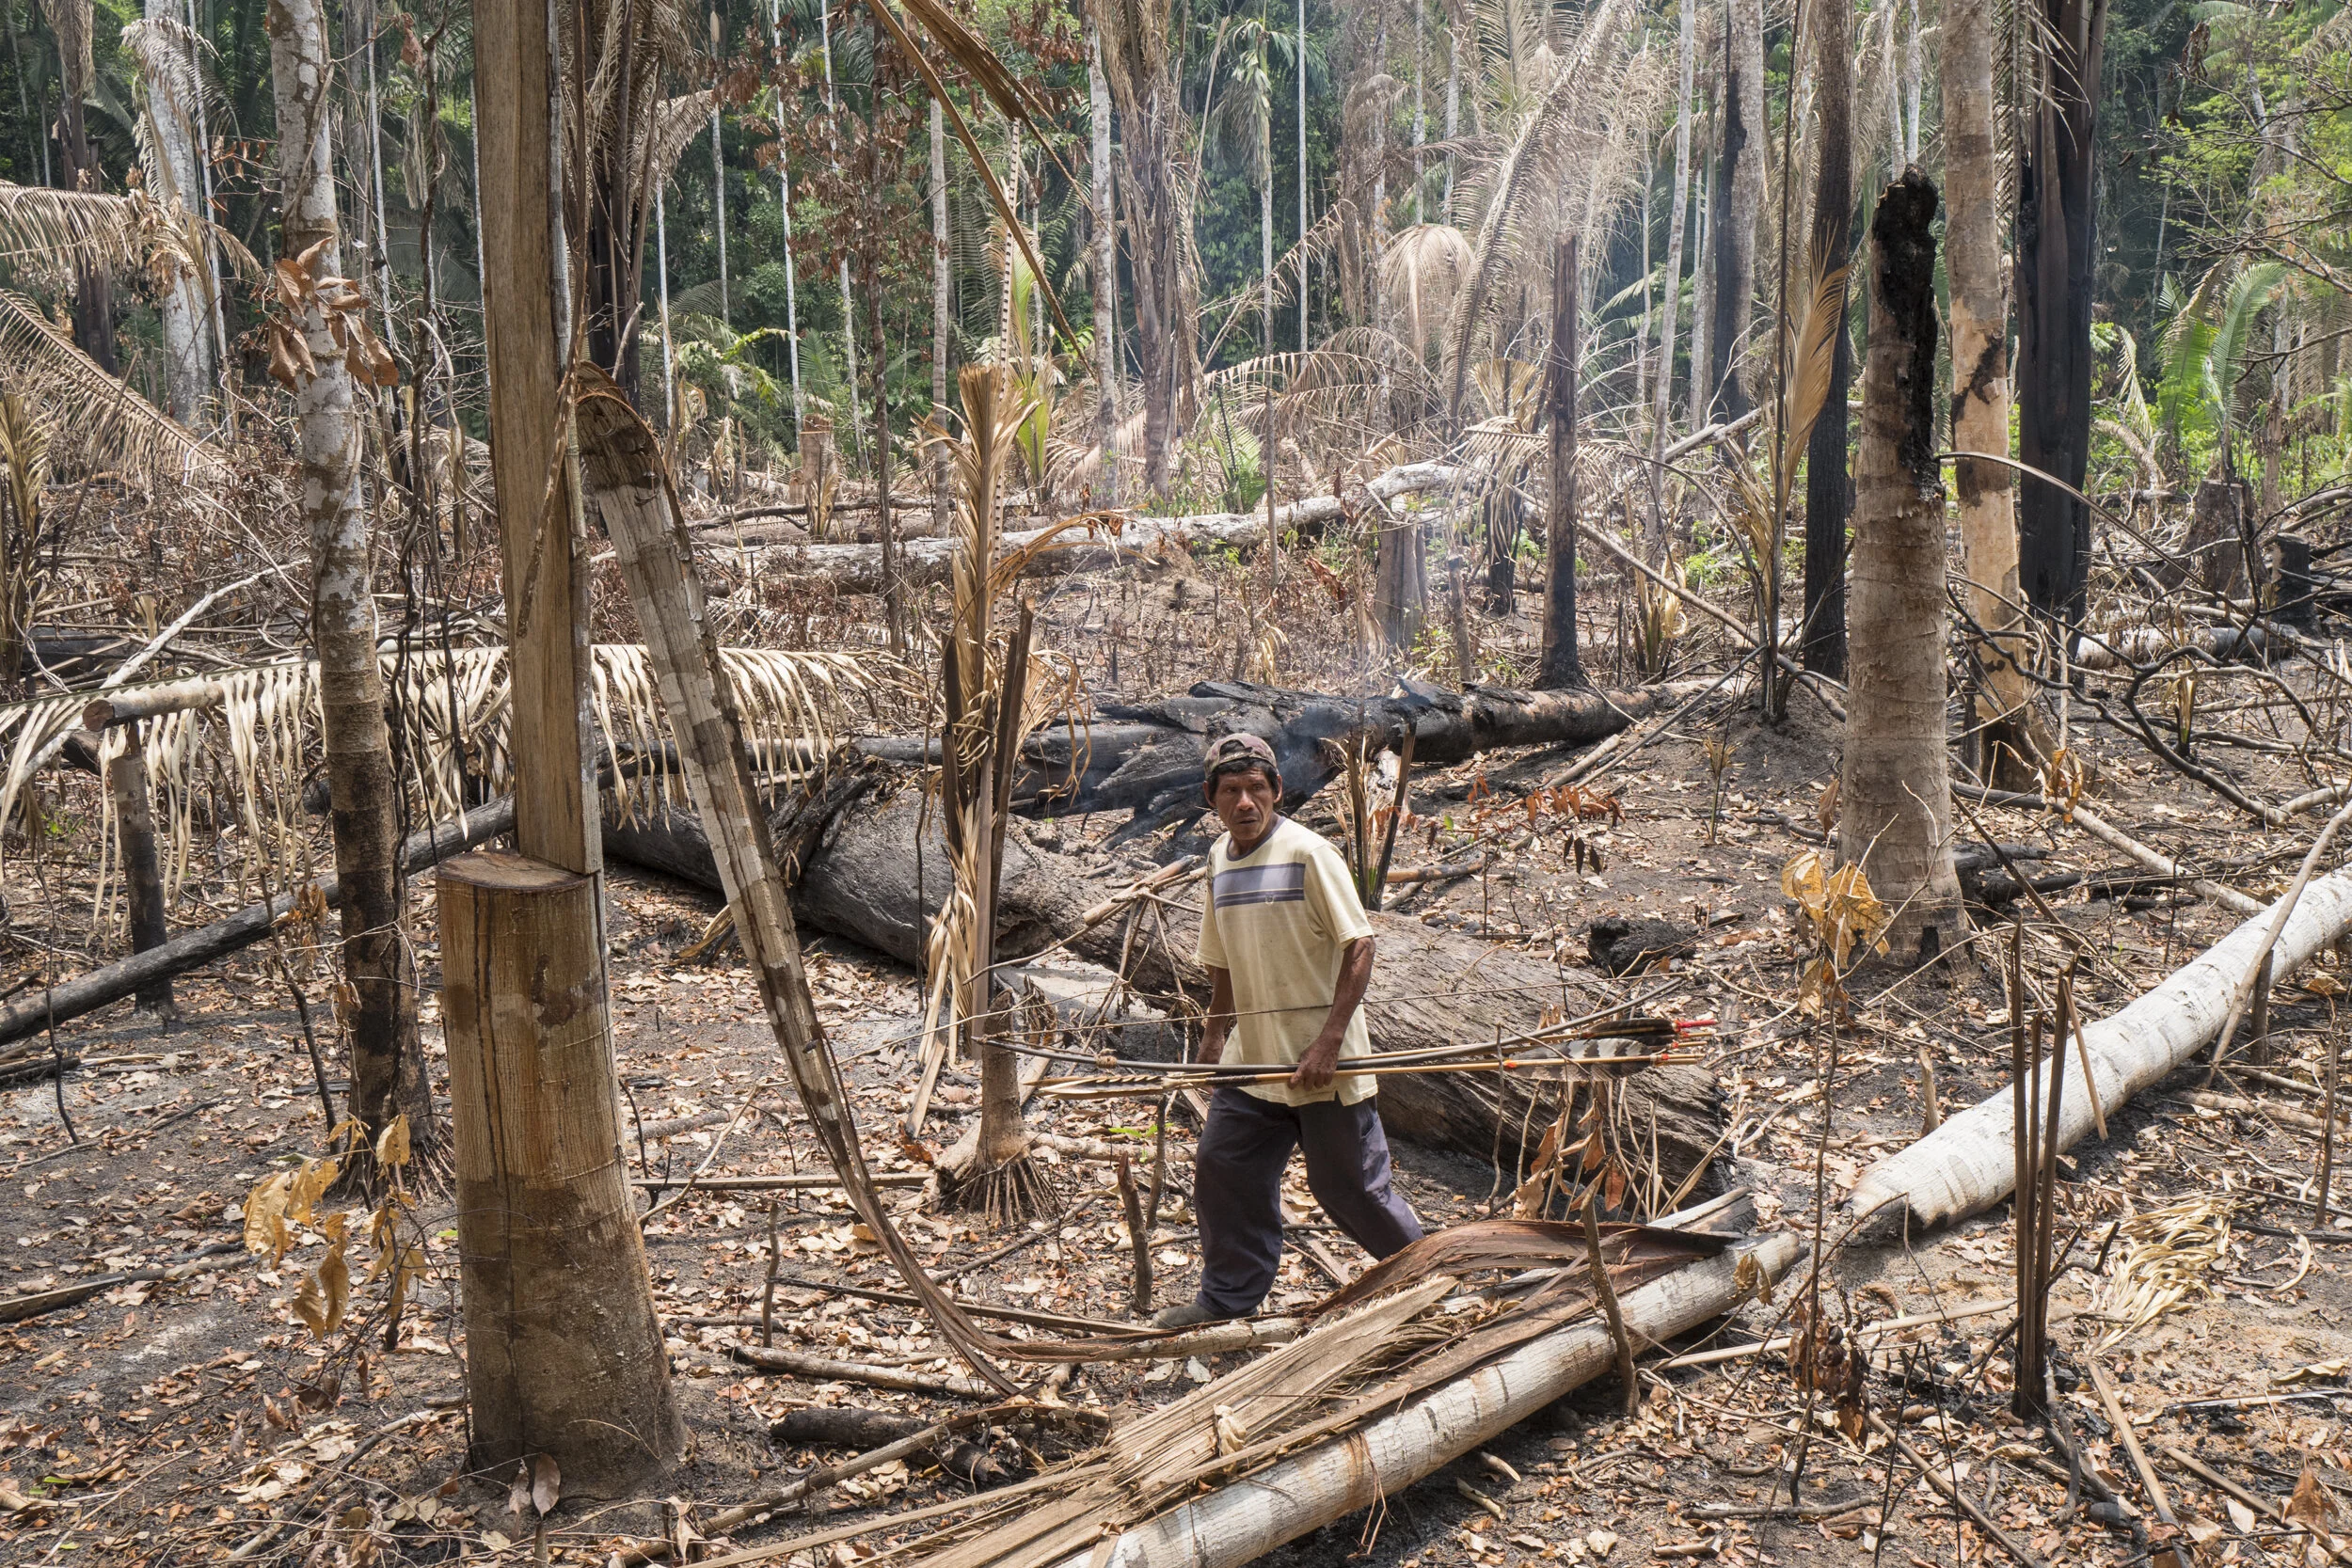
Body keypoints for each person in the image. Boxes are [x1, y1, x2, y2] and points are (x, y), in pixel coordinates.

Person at [1152, 733, 1425, 1329]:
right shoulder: (1219, 860)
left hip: (1320, 1064)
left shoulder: (1309, 854)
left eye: (1256, 788)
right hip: (1253, 1061)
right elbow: (1221, 957)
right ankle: (1227, 1300)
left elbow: (1360, 944)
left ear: (1277, 791)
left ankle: (1436, 1279)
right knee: (1225, 1173)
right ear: (1211, 798)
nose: (1244, 802)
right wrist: (1214, 1036)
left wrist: (1329, 1041)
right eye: (1231, 791)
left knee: (1350, 1192)